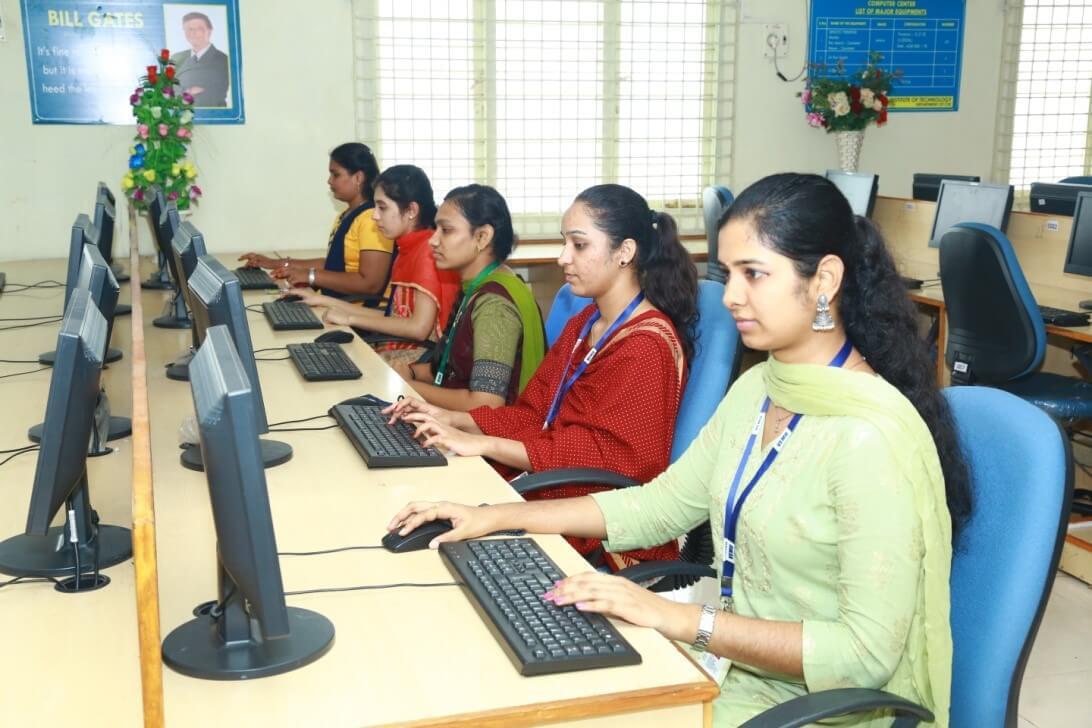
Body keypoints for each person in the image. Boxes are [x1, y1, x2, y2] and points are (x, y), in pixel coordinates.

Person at [386, 173, 973, 727]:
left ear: (823, 280)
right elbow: (657, 506)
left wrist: (676, 618)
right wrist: (491, 518)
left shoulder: (868, 438)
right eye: (729, 274)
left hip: (820, 708)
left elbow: (864, 655)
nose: (731, 297)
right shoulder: (759, 389)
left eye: (754, 274)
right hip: (735, 668)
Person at [387, 184, 699, 571]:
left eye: (579, 245)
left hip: (598, 522)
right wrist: (451, 419)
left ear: (625, 252)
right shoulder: (587, 323)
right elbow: (535, 413)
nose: (562, 257)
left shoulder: (646, 346)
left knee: (442, 551)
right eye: (564, 243)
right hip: (552, 486)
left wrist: (482, 443)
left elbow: (609, 462)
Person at [391, 184, 546, 409]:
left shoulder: (494, 307)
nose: (433, 240)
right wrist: (412, 372)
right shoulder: (478, 284)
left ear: (482, 237)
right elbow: (456, 369)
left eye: (446, 230)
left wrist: (406, 387)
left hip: (486, 437)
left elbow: (486, 404)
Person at [289, 165, 460, 366]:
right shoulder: (408, 247)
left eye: (382, 207)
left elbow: (418, 328)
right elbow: (392, 317)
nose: (375, 215)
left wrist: (351, 319)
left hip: (413, 361)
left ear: (411, 210)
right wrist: (321, 299)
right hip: (397, 348)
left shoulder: (426, 252)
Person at [239, 143, 393, 301]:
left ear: (358, 178)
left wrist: (311, 276)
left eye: (336, 174)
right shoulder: (347, 215)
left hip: (354, 313)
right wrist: (278, 263)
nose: (329, 181)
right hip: (337, 304)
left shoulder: (371, 220)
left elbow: (370, 285)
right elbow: (334, 265)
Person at [170, 11, 230, 107]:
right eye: (189, 29)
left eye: (199, 28)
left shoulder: (224, 60)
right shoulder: (176, 58)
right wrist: (189, 91)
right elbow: (166, 91)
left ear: (209, 30)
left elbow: (212, 94)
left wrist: (180, 92)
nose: (193, 33)